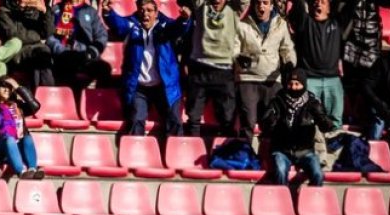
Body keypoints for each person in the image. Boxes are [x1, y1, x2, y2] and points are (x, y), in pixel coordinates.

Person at [102, 0, 187, 136]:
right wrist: (108, 13)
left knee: (174, 121)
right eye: (142, 10)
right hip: (139, 88)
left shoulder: (165, 26)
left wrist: (185, 19)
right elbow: (118, 24)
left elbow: (178, 28)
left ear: (156, 12)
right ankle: (136, 155)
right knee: (136, 120)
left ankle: (174, 155)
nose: (145, 13)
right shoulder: (131, 24)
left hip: (164, 86)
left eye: (149, 10)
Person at [178, 0, 259, 138]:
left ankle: (223, 156)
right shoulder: (201, 6)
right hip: (199, 69)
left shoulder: (234, 9)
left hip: (224, 70)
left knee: (227, 120)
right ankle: (192, 151)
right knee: (193, 119)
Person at [260, 68, 336, 188]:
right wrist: (271, 121)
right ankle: (283, 200)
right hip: (282, 150)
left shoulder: (312, 103)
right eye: (291, 84)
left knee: (318, 174)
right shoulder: (277, 101)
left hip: (305, 151)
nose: (294, 87)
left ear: (303, 85)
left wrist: (322, 118)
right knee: (280, 171)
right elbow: (265, 125)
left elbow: (326, 126)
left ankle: (309, 201)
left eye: (297, 84)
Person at [235, 0, 295, 137]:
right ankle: (246, 156)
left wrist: (289, 62)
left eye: (265, 3)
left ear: (271, 6)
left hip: (272, 79)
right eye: (258, 3)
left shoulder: (281, 25)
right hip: (247, 79)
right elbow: (233, 47)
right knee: (248, 123)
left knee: (273, 123)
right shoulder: (242, 24)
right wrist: (238, 57)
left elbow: (287, 48)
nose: (261, 6)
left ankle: (269, 156)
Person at [289, 0, 343, 128]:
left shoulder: (337, 23)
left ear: (329, 9)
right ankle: (312, 145)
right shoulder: (305, 22)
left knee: (335, 121)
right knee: (307, 120)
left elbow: (351, 7)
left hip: (333, 80)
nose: (318, 4)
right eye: (316, 2)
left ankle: (333, 145)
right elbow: (298, 5)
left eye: (323, 2)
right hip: (310, 80)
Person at [0, 77, 42, 178]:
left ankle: (32, 170)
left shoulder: (18, 105)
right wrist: (1, 134)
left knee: (27, 138)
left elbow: (35, 106)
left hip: (15, 147)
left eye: (9, 87)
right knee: (9, 139)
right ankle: (21, 172)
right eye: (3, 86)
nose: (7, 89)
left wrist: (18, 88)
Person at [48, 0, 110, 89]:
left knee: (104, 68)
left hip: (85, 55)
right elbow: (50, 36)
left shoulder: (90, 11)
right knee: (66, 67)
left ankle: (99, 99)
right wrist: (60, 49)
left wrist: (92, 51)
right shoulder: (56, 10)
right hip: (64, 55)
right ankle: (73, 99)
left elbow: (101, 35)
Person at [0, 0, 55, 87]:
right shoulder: (5, 12)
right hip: (17, 51)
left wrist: (45, 12)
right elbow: (14, 36)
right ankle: (43, 92)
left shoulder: (36, 10)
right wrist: (38, 36)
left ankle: (41, 93)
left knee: (42, 55)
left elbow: (48, 33)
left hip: (37, 50)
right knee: (41, 54)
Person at [362, 25, 390, 141]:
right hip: (382, 106)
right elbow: (367, 86)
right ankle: (373, 150)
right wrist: (379, 104)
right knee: (377, 121)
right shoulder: (383, 63)